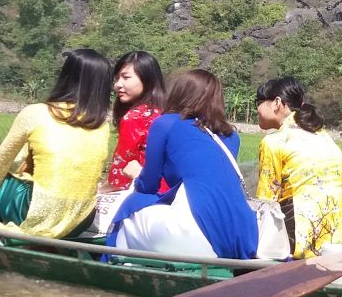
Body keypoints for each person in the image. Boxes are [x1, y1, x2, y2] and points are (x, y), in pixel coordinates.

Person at [0, 48, 114, 239]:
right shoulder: (101, 125)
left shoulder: (36, 112)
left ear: (66, 76)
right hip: (80, 220)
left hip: (36, 215)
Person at [105, 69, 259, 259]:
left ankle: (116, 262)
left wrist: (137, 174)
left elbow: (148, 185)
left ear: (179, 93)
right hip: (241, 237)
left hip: (197, 235)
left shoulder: (165, 123)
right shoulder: (231, 136)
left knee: (130, 210)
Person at [254, 77, 342, 257]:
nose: (256, 109)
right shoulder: (324, 136)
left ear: (276, 103)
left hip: (304, 228)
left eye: (258, 103)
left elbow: (266, 201)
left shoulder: (274, 141)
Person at [103, 51, 166, 191]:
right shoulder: (167, 111)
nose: (118, 85)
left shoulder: (134, 117)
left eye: (126, 77)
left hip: (145, 190)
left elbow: (121, 173)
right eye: (116, 78)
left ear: (147, 79)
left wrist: (101, 190)